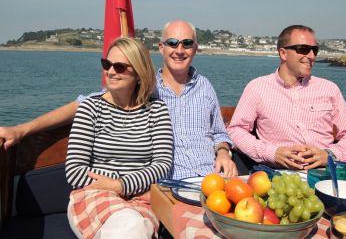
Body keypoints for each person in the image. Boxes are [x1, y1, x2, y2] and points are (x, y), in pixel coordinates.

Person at [0, 19, 237, 179]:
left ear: (195, 48)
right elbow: (85, 103)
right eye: (172, 43)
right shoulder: (146, 87)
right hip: (170, 183)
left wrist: (224, 151)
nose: (180, 50)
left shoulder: (205, 87)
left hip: (211, 180)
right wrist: (22, 130)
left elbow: (219, 132)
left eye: (187, 43)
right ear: (161, 47)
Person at [66, 37, 173, 239]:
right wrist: (119, 184)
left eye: (120, 66)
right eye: (107, 64)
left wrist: (121, 185)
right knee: (131, 226)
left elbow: (162, 164)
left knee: (134, 227)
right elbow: (74, 172)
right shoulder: (91, 108)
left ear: (139, 72)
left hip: (141, 199)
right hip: (94, 195)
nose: (111, 71)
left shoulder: (156, 110)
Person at [227, 25, 346, 170]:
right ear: (283, 53)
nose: (311, 56)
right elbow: (236, 130)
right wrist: (272, 153)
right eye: (303, 49)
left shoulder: (329, 89)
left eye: (314, 50)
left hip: (325, 174)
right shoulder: (257, 88)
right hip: (279, 175)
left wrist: (330, 154)